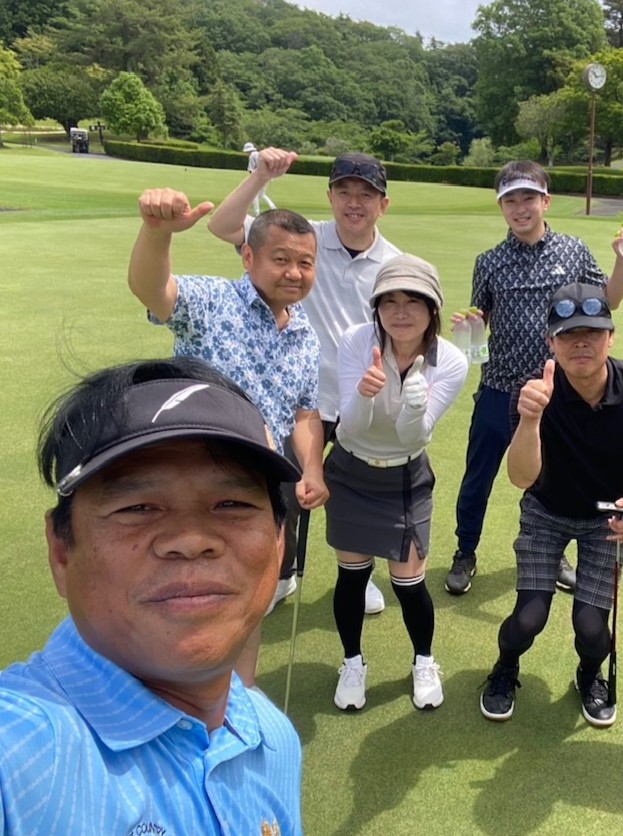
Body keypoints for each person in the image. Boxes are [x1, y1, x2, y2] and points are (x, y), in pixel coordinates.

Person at [0, 358, 303, 834]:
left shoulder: (273, 737)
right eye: (137, 507)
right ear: (60, 550)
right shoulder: (19, 753)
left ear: (280, 542)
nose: (191, 539)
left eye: (232, 503)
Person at [128, 188, 328, 685]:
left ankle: (238, 700)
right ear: (248, 257)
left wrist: (312, 467)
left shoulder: (306, 335)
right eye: (281, 259)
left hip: (256, 489)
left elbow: (304, 413)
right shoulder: (215, 301)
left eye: (305, 263)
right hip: (188, 486)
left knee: (247, 601)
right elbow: (153, 290)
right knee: (181, 602)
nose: (294, 272)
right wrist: (157, 234)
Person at [209, 148, 398, 616]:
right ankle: (283, 573)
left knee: (356, 493)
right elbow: (223, 226)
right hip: (298, 396)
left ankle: (359, 576)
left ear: (383, 204)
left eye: (366, 194)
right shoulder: (302, 240)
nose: (354, 202)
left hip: (359, 399)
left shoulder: (394, 263)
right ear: (330, 196)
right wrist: (259, 177)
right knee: (286, 490)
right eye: (344, 191)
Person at [479, 283, 623, 727]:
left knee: (591, 627)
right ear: (551, 343)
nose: (581, 343)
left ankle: (589, 675)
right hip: (545, 510)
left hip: (608, 517)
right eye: (568, 334)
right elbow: (522, 478)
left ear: (612, 337)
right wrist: (531, 418)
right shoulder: (534, 392)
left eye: (593, 332)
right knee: (528, 618)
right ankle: (505, 667)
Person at [447, 160, 623, 597]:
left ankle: (553, 554)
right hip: (500, 388)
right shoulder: (489, 262)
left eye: (528, 198)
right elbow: (481, 324)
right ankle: (465, 550)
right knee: (479, 476)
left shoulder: (573, 251)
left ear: (545, 201)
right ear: (501, 207)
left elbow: (609, 300)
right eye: (510, 200)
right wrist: (470, 327)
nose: (520, 208)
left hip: (559, 392)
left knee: (553, 481)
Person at [327, 254, 468, 712]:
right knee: (352, 578)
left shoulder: (450, 361)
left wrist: (414, 406)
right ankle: (352, 663)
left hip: (405, 477)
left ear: (432, 309)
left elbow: (413, 436)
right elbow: (351, 427)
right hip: (351, 471)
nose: (400, 312)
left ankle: (424, 660)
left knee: (408, 583)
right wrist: (365, 395)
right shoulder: (357, 341)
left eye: (413, 301)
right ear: (376, 307)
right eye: (389, 301)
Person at [243, 142, 276, 214]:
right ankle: (273, 207)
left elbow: (251, 169)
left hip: (259, 177)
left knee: (254, 195)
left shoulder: (252, 156)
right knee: (262, 195)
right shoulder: (260, 154)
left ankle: (257, 211)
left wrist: (251, 180)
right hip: (266, 176)